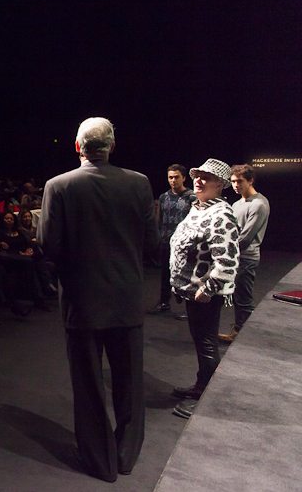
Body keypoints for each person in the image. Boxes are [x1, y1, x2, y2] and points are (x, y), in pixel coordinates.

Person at [38, 117, 158, 482]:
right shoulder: (139, 183)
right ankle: (126, 454)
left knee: (89, 383)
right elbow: (152, 244)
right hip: (126, 297)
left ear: (78, 147)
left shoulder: (58, 186)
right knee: (129, 380)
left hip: (82, 301)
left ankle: (99, 460)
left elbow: (48, 246)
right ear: (112, 146)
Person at [169, 158, 240, 419]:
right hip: (192, 291)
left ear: (220, 184)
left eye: (206, 177)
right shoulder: (199, 208)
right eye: (197, 176)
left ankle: (209, 402)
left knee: (207, 344)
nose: (198, 181)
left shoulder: (221, 214)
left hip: (204, 295)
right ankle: (201, 386)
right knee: (202, 343)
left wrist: (209, 288)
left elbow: (228, 260)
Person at [218, 164, 270, 344]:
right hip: (235, 257)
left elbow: (245, 238)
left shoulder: (259, 204)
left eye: (239, 181)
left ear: (250, 180)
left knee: (244, 299)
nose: (235, 185)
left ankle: (246, 338)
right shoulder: (237, 204)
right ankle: (239, 332)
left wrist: (224, 252)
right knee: (237, 297)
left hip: (246, 257)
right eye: (233, 181)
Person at [149, 164, 195, 317]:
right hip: (166, 241)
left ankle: (190, 308)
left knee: (187, 274)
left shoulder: (192, 197)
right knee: (165, 274)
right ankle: (164, 303)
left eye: (176, 177)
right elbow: (160, 218)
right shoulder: (164, 197)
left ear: (184, 178)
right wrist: (158, 236)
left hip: (185, 243)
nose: (173, 180)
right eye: (170, 177)